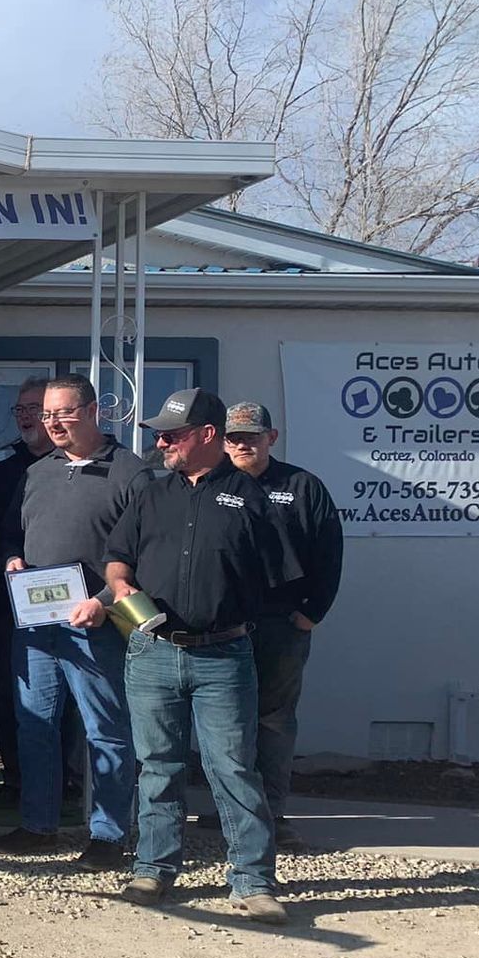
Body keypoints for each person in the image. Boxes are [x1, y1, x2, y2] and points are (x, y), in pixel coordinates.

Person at [106, 388, 292, 924]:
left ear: (207, 435)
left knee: (233, 766)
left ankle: (253, 881)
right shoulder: (150, 495)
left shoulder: (252, 498)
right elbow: (117, 559)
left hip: (224, 654)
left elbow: (276, 575)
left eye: (172, 433)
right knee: (158, 765)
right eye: (160, 432)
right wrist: (120, 589)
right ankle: (153, 868)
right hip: (153, 650)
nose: (161, 441)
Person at [0, 373, 149, 869]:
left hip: (96, 625)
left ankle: (109, 834)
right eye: (46, 415)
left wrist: (103, 600)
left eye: (64, 413)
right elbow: (10, 534)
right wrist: (12, 558)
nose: (52, 423)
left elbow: (142, 553)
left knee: (106, 729)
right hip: (36, 625)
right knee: (35, 725)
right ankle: (39, 826)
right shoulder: (38, 473)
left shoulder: (130, 473)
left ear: (93, 411)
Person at [223, 400, 344, 852]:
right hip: (224, 623)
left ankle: (272, 811)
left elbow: (329, 552)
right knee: (225, 720)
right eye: (234, 437)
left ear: (271, 438)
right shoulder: (213, 484)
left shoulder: (302, 486)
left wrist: (313, 611)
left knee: (273, 719)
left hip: (281, 623)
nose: (242, 444)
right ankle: (231, 809)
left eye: (252, 436)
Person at [0, 376, 55, 807]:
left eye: (35, 409)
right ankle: (16, 779)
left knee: (72, 700)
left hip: (72, 605)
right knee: (13, 694)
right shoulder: (6, 471)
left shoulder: (77, 465)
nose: (27, 417)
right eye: (20, 410)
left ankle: (69, 780)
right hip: (11, 605)